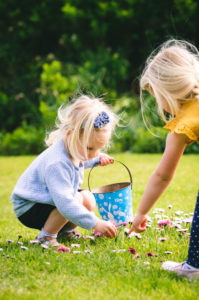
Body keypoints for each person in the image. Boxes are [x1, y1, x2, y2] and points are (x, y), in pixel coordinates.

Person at [129, 39, 199, 280]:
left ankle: (193, 267)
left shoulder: (183, 124)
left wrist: (140, 214)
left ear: (167, 92)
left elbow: (163, 175)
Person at [11, 95, 118, 247]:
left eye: (98, 148)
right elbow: (65, 203)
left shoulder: (72, 148)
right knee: (76, 199)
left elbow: (76, 164)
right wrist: (95, 223)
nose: (94, 153)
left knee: (87, 197)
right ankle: (46, 237)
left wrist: (95, 160)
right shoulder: (57, 163)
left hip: (46, 201)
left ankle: (66, 232)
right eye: (90, 148)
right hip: (29, 207)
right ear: (71, 135)